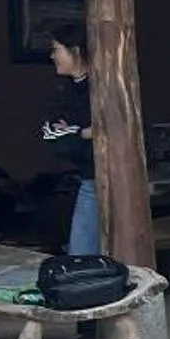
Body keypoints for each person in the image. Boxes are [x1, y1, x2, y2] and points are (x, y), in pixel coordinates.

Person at [43, 24, 98, 257]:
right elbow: (52, 136)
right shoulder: (66, 90)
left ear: (75, 51)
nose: (52, 56)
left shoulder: (105, 87)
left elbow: (116, 130)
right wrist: (83, 133)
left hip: (110, 179)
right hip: (90, 178)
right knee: (81, 251)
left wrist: (78, 132)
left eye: (57, 49)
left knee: (84, 251)